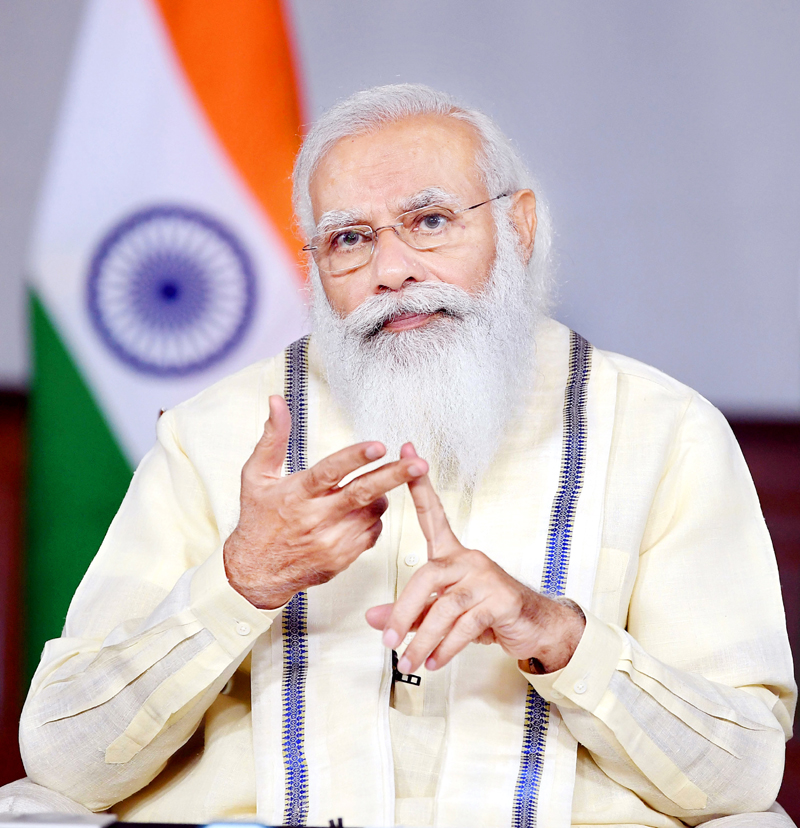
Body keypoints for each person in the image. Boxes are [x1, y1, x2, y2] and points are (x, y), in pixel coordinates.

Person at [12, 84, 796, 828]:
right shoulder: (214, 435)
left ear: (519, 228)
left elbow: (742, 776)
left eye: (429, 221)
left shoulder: (665, 432)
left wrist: (555, 634)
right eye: (349, 239)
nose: (392, 272)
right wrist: (241, 581)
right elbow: (65, 764)